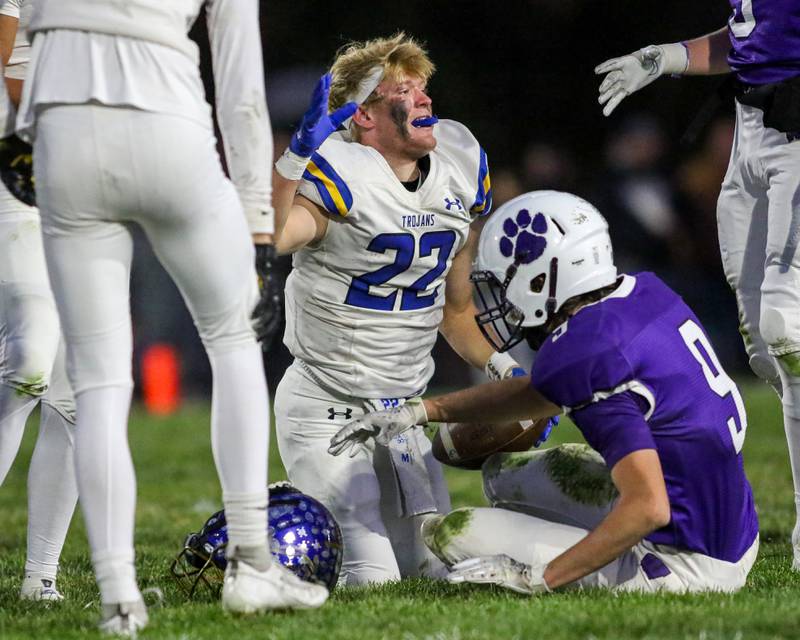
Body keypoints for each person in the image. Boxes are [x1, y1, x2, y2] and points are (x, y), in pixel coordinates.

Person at [18, 0, 327, 634]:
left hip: (62, 127)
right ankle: (251, 559)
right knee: (233, 337)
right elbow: (241, 93)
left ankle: (119, 597)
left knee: (99, 381)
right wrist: (261, 236)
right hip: (166, 118)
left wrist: (14, 134)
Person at [330, 190, 759, 594]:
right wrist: (424, 411)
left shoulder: (588, 353)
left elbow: (648, 507)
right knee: (503, 475)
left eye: (506, 286)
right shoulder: (643, 293)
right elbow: (541, 391)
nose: (504, 304)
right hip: (728, 527)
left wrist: (539, 577)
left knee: (454, 531)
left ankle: (596, 558)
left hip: (683, 565)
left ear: (543, 279)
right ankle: (582, 542)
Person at [271, 33, 545, 585]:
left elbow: (457, 309)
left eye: (423, 87)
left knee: (437, 569)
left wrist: (507, 373)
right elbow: (274, 235)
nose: (423, 99)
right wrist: (295, 159)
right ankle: (283, 520)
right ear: (365, 116)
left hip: (402, 412)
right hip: (328, 402)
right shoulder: (339, 169)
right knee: (373, 579)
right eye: (403, 89)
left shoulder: (460, 165)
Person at [593, 1, 800, 568]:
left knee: (788, 331)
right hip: (749, 133)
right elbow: (752, 39)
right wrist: (666, 58)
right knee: (764, 346)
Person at [0, 0, 77, 603]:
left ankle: (39, 578)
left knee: (76, 396)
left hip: (81, 174)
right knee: (28, 362)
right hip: (14, 163)